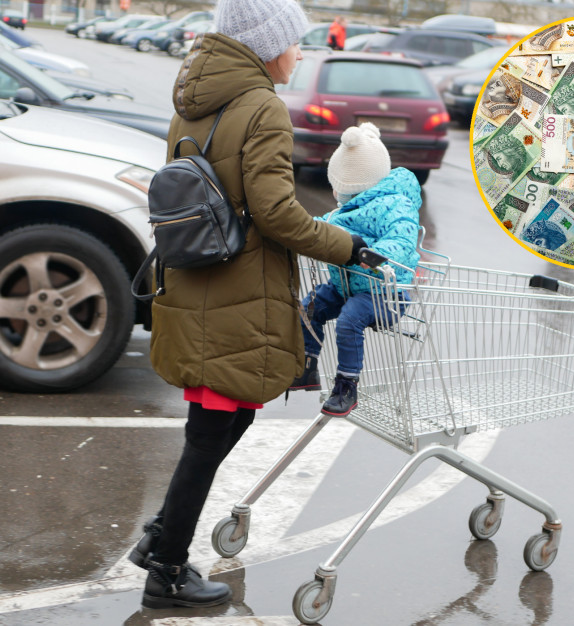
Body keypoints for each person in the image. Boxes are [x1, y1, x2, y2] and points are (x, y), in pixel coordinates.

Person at [126, 0, 364, 610]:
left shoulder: (192, 101)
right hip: (236, 291)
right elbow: (276, 213)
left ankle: (160, 537)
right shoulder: (262, 107)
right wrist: (348, 248)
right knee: (211, 431)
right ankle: (167, 573)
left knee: (229, 418)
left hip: (195, 280)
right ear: (266, 45)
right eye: (295, 41)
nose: (300, 53)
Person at [287, 122, 422, 417]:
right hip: (346, 287)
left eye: (341, 187)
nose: (336, 192)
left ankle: (346, 386)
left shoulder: (396, 205)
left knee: (350, 319)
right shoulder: (344, 210)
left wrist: (375, 257)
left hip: (385, 293)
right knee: (309, 307)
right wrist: (298, 232)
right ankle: (306, 367)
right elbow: (323, 227)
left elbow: (402, 239)